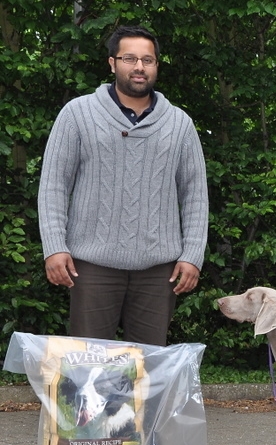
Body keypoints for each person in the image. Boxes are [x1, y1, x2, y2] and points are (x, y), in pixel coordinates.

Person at [38, 25, 208, 346]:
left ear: (157, 65)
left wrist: (192, 255)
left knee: (149, 367)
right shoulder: (77, 114)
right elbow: (53, 186)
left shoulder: (180, 124)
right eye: (129, 58)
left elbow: (196, 195)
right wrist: (55, 247)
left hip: (159, 271)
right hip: (91, 265)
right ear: (112, 63)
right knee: (87, 362)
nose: (140, 67)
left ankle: (141, 401)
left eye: (148, 60)